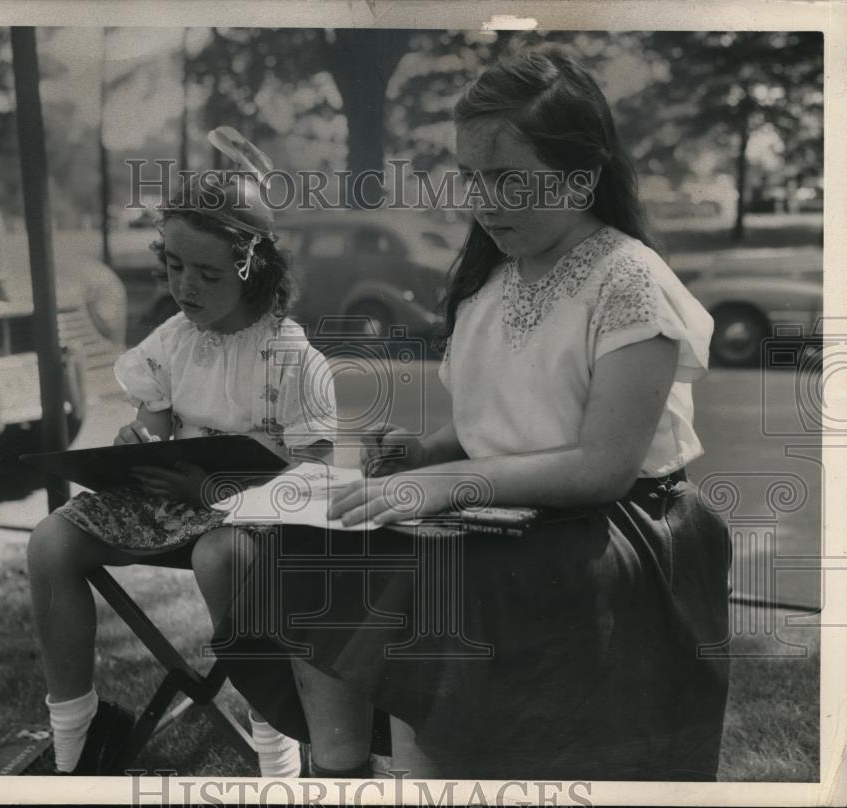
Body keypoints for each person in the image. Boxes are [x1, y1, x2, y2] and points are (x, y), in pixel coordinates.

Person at [191, 46, 732, 781]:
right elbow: (496, 425)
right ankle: (340, 773)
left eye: (510, 178)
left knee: (425, 584)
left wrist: (448, 485)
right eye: (472, 176)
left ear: (583, 175)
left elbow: (604, 466)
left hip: (611, 531)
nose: (484, 201)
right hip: (506, 510)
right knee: (310, 554)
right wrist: (421, 456)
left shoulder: (629, 283)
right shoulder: (492, 279)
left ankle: (421, 771)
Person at [26, 143, 338, 775]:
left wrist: (220, 492)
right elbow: (154, 428)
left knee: (219, 555)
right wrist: (136, 447)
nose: (185, 287)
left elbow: (317, 471)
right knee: (50, 542)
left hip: (261, 520)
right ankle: (75, 738)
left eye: (208, 274)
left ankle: (276, 739)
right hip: (174, 505)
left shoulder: (289, 357)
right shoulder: (172, 343)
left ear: (253, 268)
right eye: (173, 267)